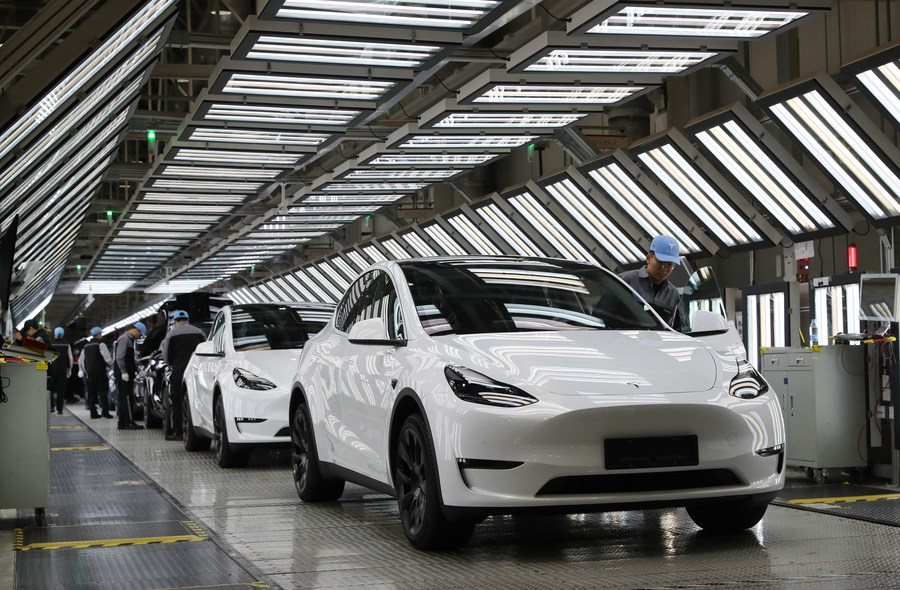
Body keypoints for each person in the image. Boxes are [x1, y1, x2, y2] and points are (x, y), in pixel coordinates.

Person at [159, 310, 206, 441]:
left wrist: (172, 364)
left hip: (179, 371)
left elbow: (166, 355)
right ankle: (199, 430)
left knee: (177, 401)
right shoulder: (199, 332)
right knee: (198, 400)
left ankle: (179, 432)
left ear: (175, 321)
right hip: (196, 372)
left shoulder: (171, 334)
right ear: (188, 319)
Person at [619, 235, 682, 327]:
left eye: (670, 264)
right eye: (660, 262)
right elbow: (603, 315)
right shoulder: (626, 281)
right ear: (648, 258)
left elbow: (675, 328)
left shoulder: (673, 294)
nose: (664, 268)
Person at [114, 322, 146, 431]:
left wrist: (138, 370)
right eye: (140, 334)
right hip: (124, 374)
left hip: (127, 373)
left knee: (125, 398)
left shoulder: (129, 339)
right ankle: (128, 423)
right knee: (127, 398)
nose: (140, 337)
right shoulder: (124, 339)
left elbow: (132, 359)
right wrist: (123, 372)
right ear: (136, 330)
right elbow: (120, 357)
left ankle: (122, 423)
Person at [79, 327, 113, 419]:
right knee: (103, 391)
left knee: (91, 393)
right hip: (100, 371)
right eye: (101, 334)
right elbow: (107, 358)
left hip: (90, 372)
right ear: (98, 334)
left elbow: (82, 360)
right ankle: (105, 412)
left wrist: (84, 371)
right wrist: (111, 366)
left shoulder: (86, 346)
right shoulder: (101, 344)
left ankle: (93, 413)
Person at [48, 327, 73, 415]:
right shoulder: (66, 344)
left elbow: (48, 358)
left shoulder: (50, 343)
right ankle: (60, 409)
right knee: (60, 391)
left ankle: (51, 407)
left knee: (50, 389)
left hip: (52, 370)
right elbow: (70, 358)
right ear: (63, 334)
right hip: (63, 370)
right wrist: (69, 370)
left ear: (54, 334)